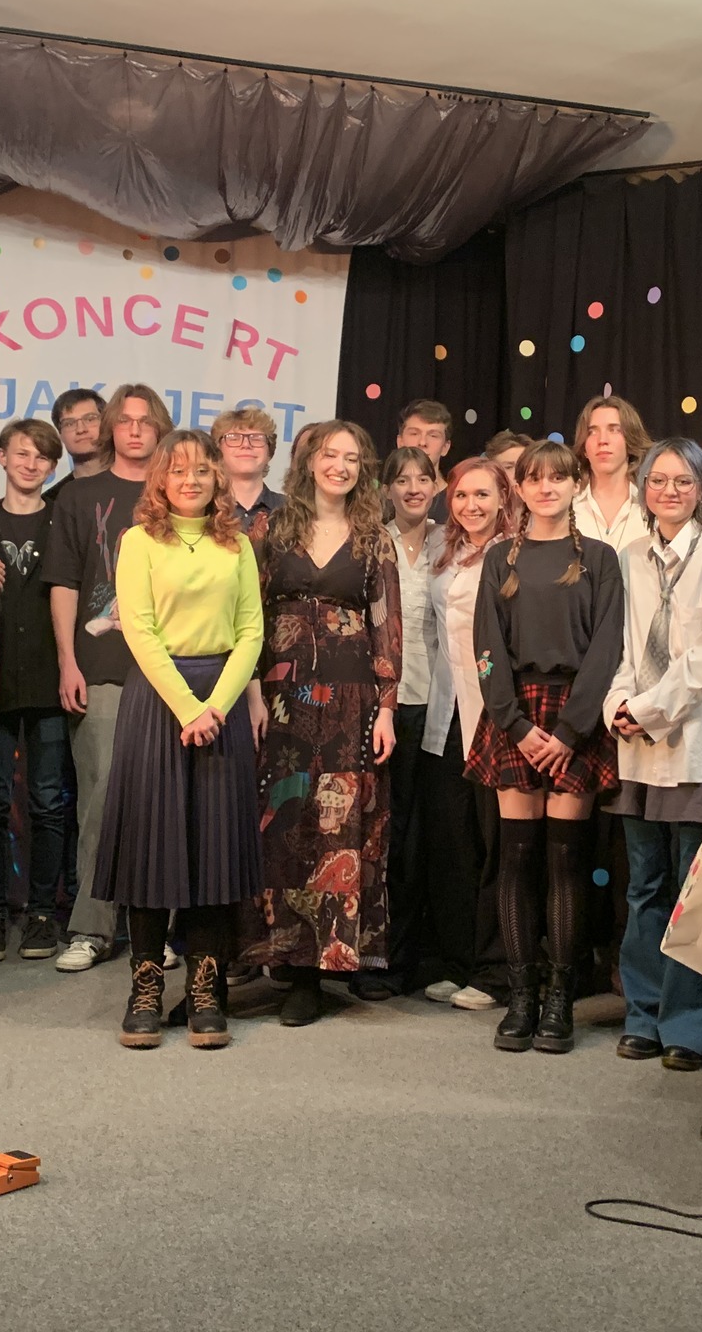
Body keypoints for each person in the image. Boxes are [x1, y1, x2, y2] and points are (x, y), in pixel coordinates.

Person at [99, 430, 265, 1049]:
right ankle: (145, 987)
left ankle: (205, 991)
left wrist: (215, 707)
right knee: (152, 846)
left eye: (201, 470)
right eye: (178, 470)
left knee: (213, 850)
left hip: (220, 700)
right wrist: (188, 708)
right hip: (157, 700)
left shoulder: (237, 544)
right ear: (160, 480)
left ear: (217, 478)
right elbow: (139, 631)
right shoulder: (138, 541)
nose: (190, 480)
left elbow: (251, 632)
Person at [241, 422, 402, 1024]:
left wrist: (388, 709)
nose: (340, 466)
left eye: (352, 458)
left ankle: (317, 968)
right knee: (281, 823)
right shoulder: (270, 528)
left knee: (336, 830)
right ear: (309, 461)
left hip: (350, 704)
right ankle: (278, 955)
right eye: (330, 455)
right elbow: (248, 616)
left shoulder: (374, 539)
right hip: (279, 701)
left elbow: (388, 626)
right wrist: (252, 694)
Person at [469, 439, 625, 1055]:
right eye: (534, 479)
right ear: (520, 488)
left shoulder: (601, 559)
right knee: (516, 859)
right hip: (515, 715)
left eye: (558, 478)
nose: (546, 488)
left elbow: (607, 647)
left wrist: (570, 731)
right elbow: (486, 647)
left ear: (574, 484)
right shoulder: (498, 558)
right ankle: (521, 995)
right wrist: (513, 723)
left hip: (573, 716)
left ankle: (560, 995)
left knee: (565, 862)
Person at [604, 437, 702, 1070]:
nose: (669, 491)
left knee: (698, 892)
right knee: (644, 888)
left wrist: (650, 711)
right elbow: (620, 649)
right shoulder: (629, 555)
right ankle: (644, 1014)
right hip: (637, 750)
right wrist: (618, 706)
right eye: (658, 480)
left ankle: (692, 1025)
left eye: (683, 481)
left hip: (701, 743)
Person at [44, 384, 175, 972]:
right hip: (99, 666)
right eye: (125, 420)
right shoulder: (79, 497)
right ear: (111, 429)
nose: (136, 429)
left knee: (167, 805)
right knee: (98, 801)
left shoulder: (178, 494)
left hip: (173, 671)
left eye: (146, 421)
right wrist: (68, 661)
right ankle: (91, 929)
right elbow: (64, 583)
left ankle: (160, 932)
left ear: (160, 428)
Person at [418, 457, 522, 1011]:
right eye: (461, 495)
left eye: (483, 494)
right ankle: (457, 961)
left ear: (504, 498)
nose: (471, 505)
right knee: (453, 842)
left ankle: (496, 969)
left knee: (495, 845)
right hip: (446, 710)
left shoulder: (517, 552)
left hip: (495, 713)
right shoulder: (443, 548)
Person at [0, 419, 75, 964]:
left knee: (48, 802)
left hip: (48, 680)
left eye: (42, 457)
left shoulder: (62, 521)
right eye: (22, 454)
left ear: (53, 466)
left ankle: (41, 913)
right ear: (2, 457)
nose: (30, 464)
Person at [353, 444, 441, 999]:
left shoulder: (450, 541)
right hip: (379, 704)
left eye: (422, 478)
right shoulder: (369, 541)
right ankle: (370, 954)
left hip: (438, 703)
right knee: (380, 832)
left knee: (421, 835)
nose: (413, 488)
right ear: (386, 488)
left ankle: (411, 955)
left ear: (436, 485)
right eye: (401, 479)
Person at [573, 395, 652, 554]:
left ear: (630, 441)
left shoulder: (652, 504)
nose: (602, 440)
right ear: (584, 447)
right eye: (592, 432)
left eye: (614, 430)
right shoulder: (569, 504)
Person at [212, 405, 285, 543]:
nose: (246, 445)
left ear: (269, 451)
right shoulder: (206, 508)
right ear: (218, 450)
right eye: (234, 438)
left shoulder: (290, 510)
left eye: (257, 438)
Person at [397, 399, 454, 521]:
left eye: (433, 435)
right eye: (414, 434)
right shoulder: (379, 503)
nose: (422, 442)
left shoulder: (457, 503)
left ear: (445, 447)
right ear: (400, 442)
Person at [51, 388, 108, 483]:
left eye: (90, 419)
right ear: (60, 435)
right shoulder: (59, 492)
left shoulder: (134, 486)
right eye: (69, 424)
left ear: (107, 423)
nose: (81, 430)